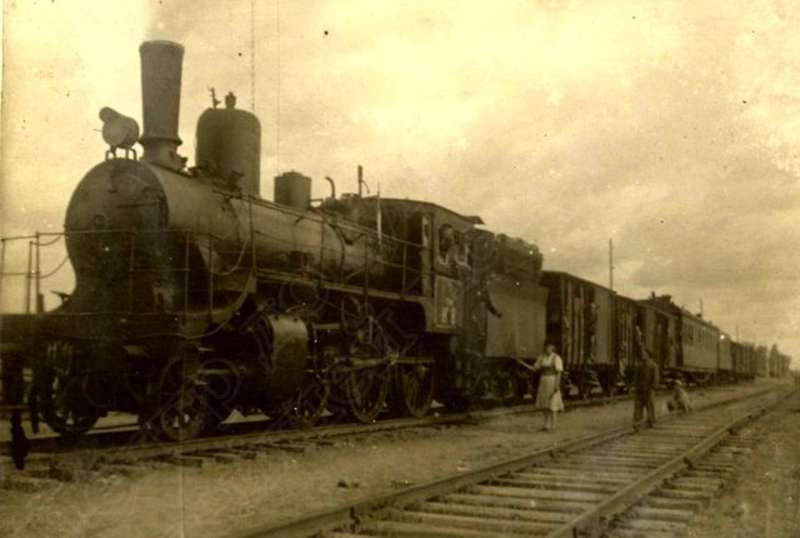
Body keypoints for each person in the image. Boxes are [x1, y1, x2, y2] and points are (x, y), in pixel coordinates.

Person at [518, 344, 565, 431]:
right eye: (546, 347)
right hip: (543, 381)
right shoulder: (542, 357)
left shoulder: (556, 358)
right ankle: (546, 425)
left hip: (552, 380)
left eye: (549, 347)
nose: (547, 349)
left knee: (553, 404)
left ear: (553, 348)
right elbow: (534, 368)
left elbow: (559, 373)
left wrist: (557, 385)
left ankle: (553, 425)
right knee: (545, 404)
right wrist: (522, 363)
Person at [633, 349, 659, 429]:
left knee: (650, 405)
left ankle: (651, 421)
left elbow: (656, 378)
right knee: (638, 406)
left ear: (648, 355)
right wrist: (635, 386)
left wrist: (653, 387)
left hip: (649, 389)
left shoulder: (654, 365)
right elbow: (636, 377)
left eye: (644, 354)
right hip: (640, 389)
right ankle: (637, 422)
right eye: (642, 353)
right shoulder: (639, 366)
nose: (642, 355)